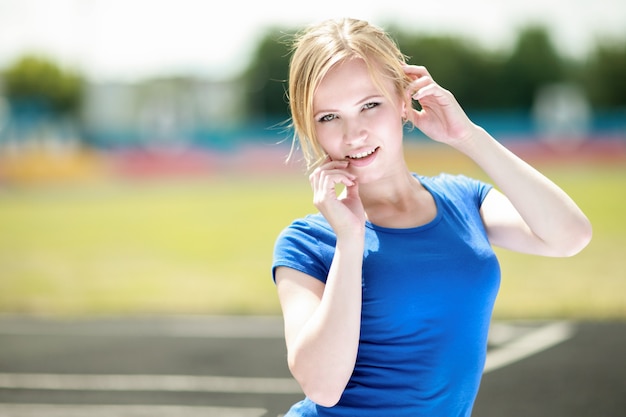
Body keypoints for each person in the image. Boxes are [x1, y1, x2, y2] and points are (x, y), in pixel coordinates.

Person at [271, 17, 592, 416]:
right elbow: (322, 386)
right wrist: (351, 240)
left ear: (403, 101)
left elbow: (570, 236)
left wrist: (467, 136)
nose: (353, 134)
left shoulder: (463, 200)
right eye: (329, 117)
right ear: (311, 127)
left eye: (370, 105)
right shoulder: (307, 241)